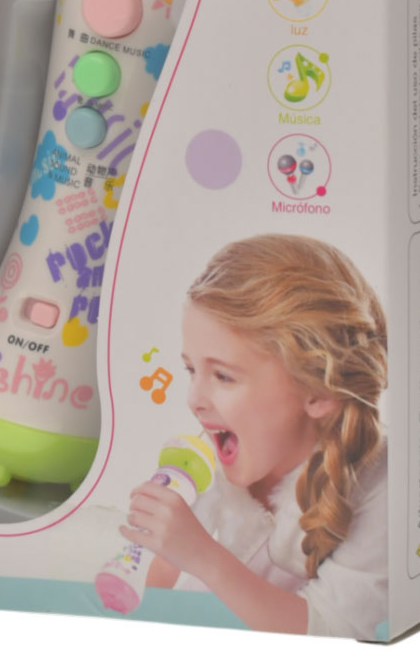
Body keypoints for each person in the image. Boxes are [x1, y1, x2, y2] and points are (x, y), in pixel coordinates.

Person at [120, 234, 388, 637]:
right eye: (191, 370)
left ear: (317, 391)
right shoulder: (218, 457)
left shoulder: (378, 484)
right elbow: (158, 573)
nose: (194, 400)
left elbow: (334, 630)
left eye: (223, 376)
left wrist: (203, 555)